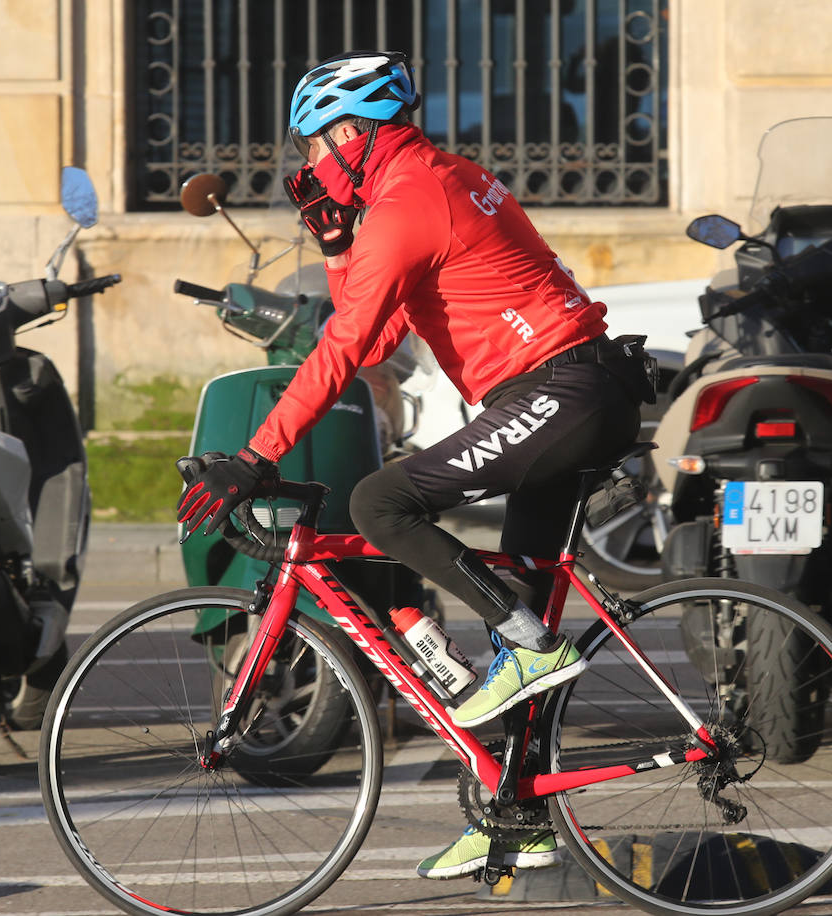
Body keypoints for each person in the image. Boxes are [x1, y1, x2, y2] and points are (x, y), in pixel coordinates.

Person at [177, 50, 652, 881]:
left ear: (354, 134)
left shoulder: (408, 202)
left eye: (313, 145)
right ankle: (519, 819)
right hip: (571, 390)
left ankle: (531, 646)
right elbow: (384, 335)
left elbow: (345, 345)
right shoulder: (426, 183)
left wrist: (254, 457)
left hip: (562, 391)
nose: (309, 165)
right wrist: (334, 242)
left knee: (380, 504)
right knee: (522, 614)